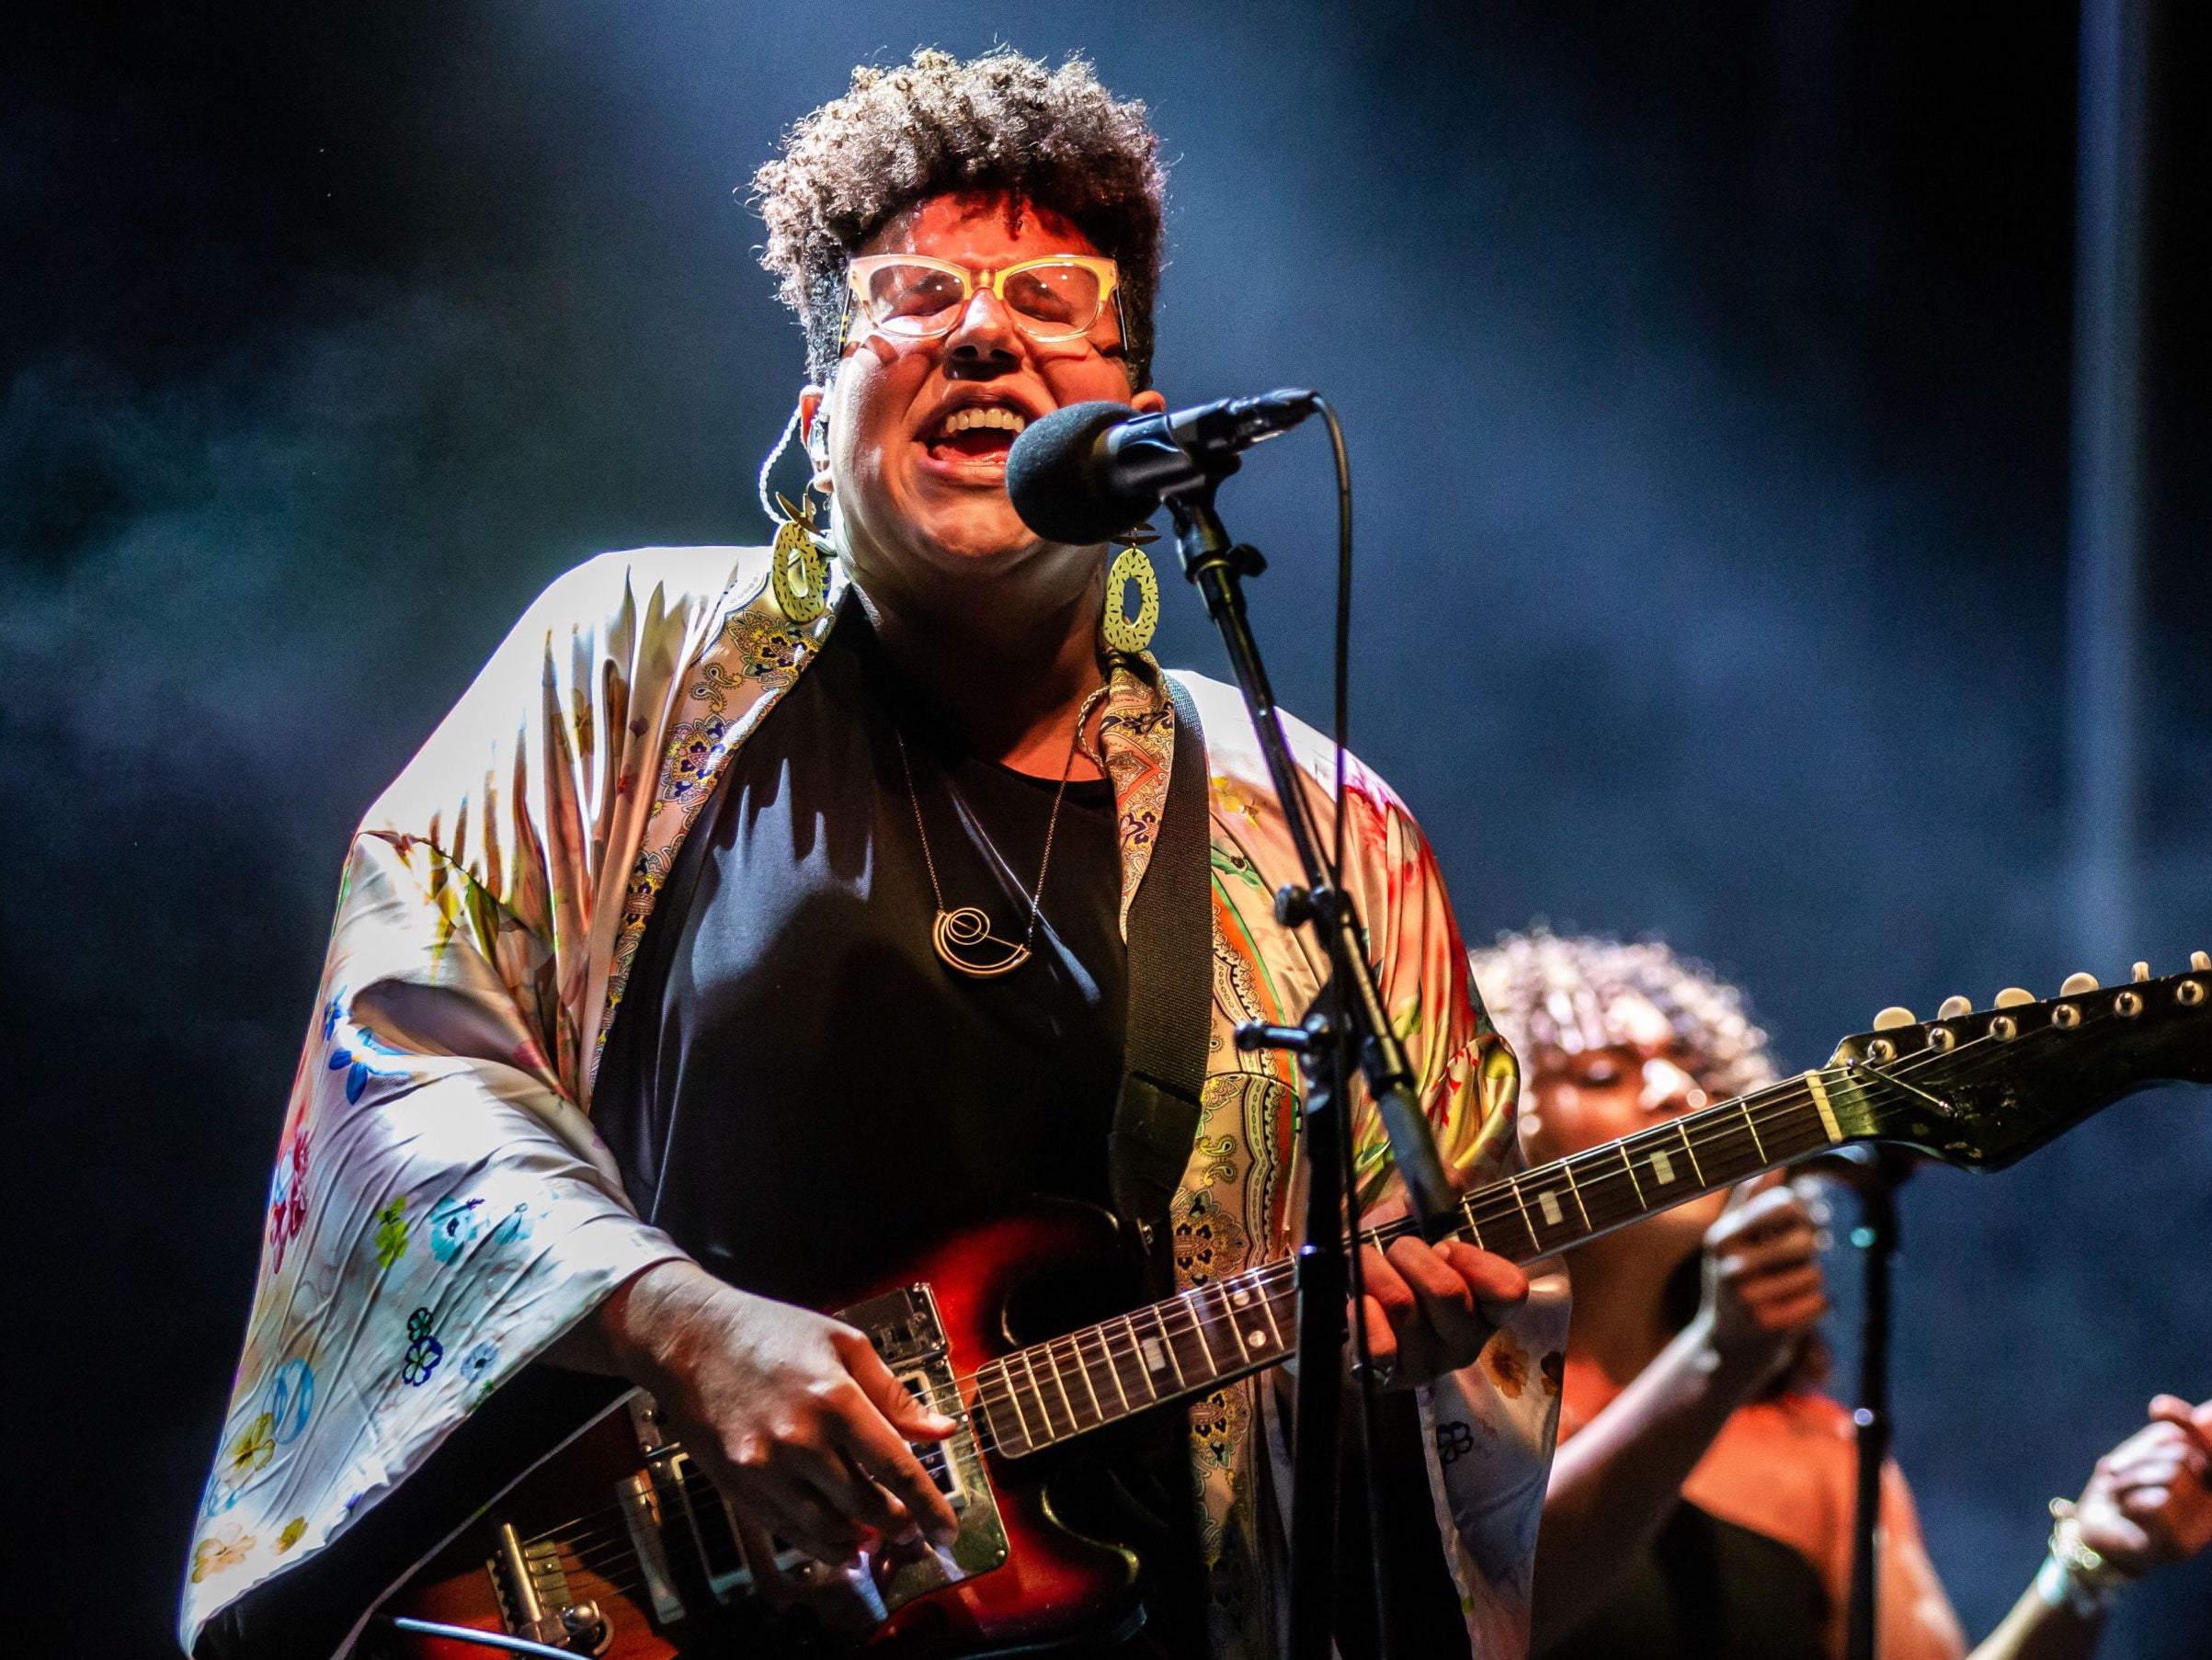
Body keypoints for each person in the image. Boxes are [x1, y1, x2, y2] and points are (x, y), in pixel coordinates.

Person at [181, 49, 1569, 1660]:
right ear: (816, 413)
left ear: (1135, 420)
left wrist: (1416, 1358)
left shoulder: (1322, 825)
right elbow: (403, 1047)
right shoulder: (621, 667)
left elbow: (1469, 1301)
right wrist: (679, 1325)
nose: (983, 330)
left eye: (1054, 298)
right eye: (912, 295)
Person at [1471, 927, 2212, 1660]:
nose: (1676, 1092)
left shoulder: (1819, 1453)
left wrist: (2086, 1562)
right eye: (1605, 1074)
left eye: (1695, 1068)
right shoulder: (1441, 1401)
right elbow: (1485, 1618)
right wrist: (1713, 1358)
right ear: (1492, 1125)